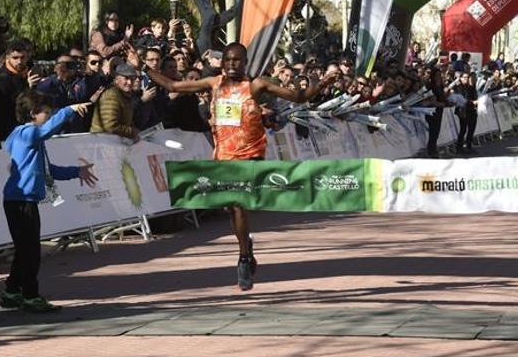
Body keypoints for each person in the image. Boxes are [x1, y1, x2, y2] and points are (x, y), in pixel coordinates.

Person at [145, 42, 337, 290]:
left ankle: (244, 257)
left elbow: (299, 97)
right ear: (223, 62)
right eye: (228, 60)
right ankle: (245, 248)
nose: (232, 64)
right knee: (233, 208)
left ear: (245, 63)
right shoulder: (214, 83)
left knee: (239, 204)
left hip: (251, 154)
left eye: (237, 60)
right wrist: (144, 69)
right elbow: (173, 86)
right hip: (224, 155)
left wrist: (320, 83)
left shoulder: (256, 85)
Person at [0, 91, 97, 312]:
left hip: (22, 199)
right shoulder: (27, 133)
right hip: (20, 199)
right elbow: (46, 130)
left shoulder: (29, 137)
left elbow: (47, 170)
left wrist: (76, 171)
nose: (49, 116)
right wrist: (68, 111)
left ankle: (12, 290)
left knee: (24, 249)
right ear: (34, 114)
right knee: (30, 251)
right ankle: (30, 295)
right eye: (47, 112)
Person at [0, 39, 39, 148]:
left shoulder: (28, 73)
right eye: (15, 58)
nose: (19, 61)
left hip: (25, 130)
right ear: (7, 58)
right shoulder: (1, 79)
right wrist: (27, 87)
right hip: (7, 133)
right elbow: (0, 108)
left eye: (22, 58)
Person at [90, 63, 140, 140]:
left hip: (115, 142)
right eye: (126, 78)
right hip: (102, 142)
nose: (130, 82)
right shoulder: (111, 96)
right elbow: (110, 126)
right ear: (117, 79)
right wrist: (133, 132)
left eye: (132, 78)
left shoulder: (126, 95)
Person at [453, 71, 479, 154]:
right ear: (460, 78)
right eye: (464, 77)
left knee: (471, 128)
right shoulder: (459, 88)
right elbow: (461, 99)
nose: (466, 79)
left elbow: (475, 96)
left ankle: (469, 146)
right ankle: (459, 147)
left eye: (467, 78)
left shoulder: (471, 87)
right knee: (463, 129)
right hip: (462, 110)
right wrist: (472, 102)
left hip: (472, 110)